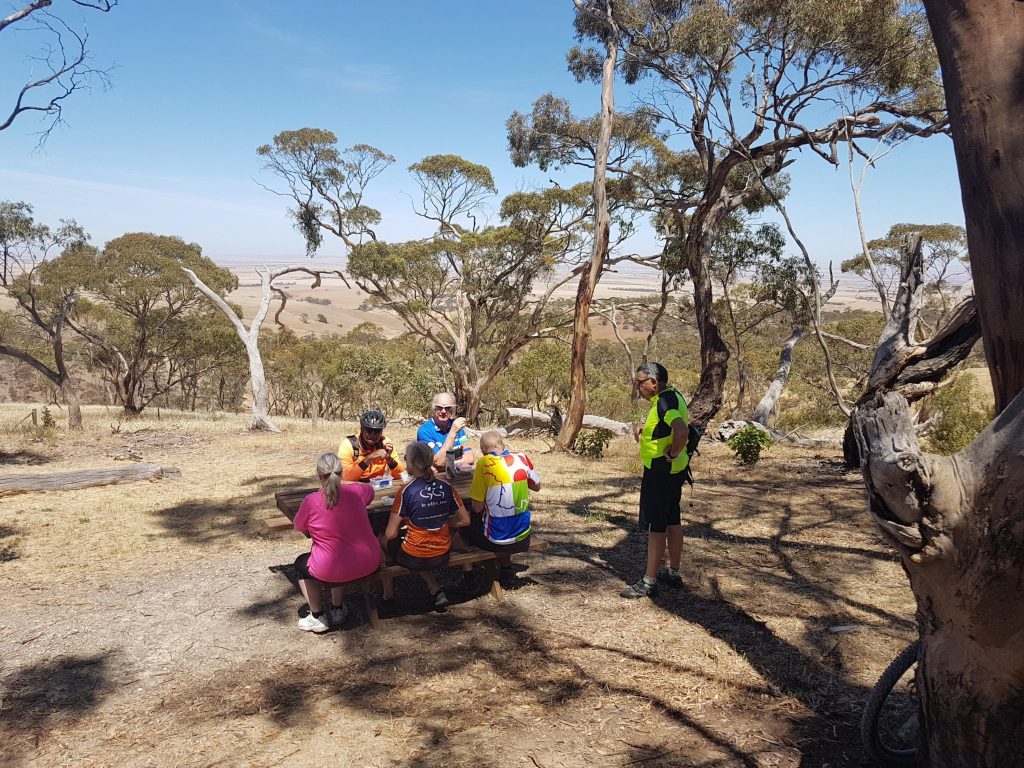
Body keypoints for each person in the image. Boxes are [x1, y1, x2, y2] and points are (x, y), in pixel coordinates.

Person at [620, 362, 689, 599]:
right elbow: (669, 427)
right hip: (674, 472)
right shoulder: (674, 396)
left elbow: (680, 430)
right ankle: (674, 572)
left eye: (639, 382)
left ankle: (649, 582)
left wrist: (673, 451)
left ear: (653, 382)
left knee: (655, 528)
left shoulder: (664, 402)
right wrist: (645, 429)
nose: (637, 387)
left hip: (660, 472)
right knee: (673, 521)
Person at [292, 452, 382, 632]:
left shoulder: (311, 500)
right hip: (369, 561)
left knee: (301, 563)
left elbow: (298, 526)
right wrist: (344, 481)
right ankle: (337, 608)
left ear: (318, 476)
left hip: (332, 568)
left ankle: (317, 616)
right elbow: (370, 492)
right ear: (341, 473)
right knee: (340, 550)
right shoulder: (357, 492)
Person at [381, 441, 470, 610]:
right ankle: (435, 589)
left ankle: (387, 595)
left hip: (416, 556)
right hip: (443, 553)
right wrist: (441, 520)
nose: (405, 462)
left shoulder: (406, 491)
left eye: (406, 459)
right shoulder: (447, 487)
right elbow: (465, 520)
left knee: (381, 539)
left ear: (413, 463)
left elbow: (390, 534)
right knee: (417, 545)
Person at [464, 431, 540, 582]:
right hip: (523, 536)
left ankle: (468, 574)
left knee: (464, 524)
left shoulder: (484, 463)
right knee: (503, 519)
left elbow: (477, 507)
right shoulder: (522, 457)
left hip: (496, 540)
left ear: (482, 450)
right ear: (503, 445)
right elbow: (537, 486)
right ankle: (505, 567)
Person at [339, 409, 405, 482]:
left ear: (382, 431)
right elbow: (345, 477)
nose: (373, 435)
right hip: (355, 487)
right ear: (362, 429)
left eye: (377, 431)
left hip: (377, 486)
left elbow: (401, 475)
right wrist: (368, 459)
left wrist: (389, 459)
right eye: (369, 430)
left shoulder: (385, 443)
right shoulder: (349, 445)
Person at [416, 392, 475, 472]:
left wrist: (447, 465)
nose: (443, 411)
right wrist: (452, 433)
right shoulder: (424, 431)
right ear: (434, 408)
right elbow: (439, 462)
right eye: (439, 407)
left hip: (458, 477)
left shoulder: (458, 427)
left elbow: (470, 458)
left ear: (453, 410)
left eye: (448, 408)